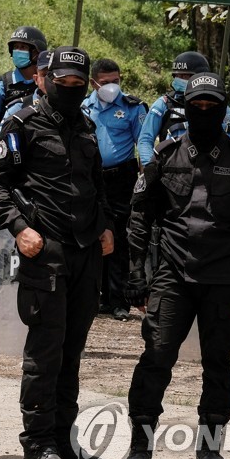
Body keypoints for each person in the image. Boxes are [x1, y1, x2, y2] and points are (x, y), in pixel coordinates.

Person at [123, 72, 230, 459]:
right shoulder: (165, 155)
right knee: (155, 359)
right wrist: (137, 273)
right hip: (173, 275)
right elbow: (139, 217)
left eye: (212, 106)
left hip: (224, 279)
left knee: (218, 364)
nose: (204, 112)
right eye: (196, 105)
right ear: (185, 108)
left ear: (223, 109)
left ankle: (210, 447)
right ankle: (140, 446)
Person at [0, 46, 114, 459]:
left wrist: (104, 226)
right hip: (47, 254)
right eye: (63, 83)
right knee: (45, 353)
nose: (71, 90)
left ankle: (62, 437)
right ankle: (37, 443)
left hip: (85, 254)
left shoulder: (89, 127)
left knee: (72, 353)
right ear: (44, 80)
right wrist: (20, 228)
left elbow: (96, 186)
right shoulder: (20, 124)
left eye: (79, 84)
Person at [81, 58, 147, 322]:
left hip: (123, 178)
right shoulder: (83, 107)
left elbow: (143, 144)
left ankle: (117, 300)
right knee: (93, 233)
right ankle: (95, 296)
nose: (112, 87)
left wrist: (145, 182)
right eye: (106, 83)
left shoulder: (133, 108)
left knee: (119, 237)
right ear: (94, 83)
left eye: (116, 81)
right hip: (92, 178)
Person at [137, 51, 230, 164]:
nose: (179, 79)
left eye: (185, 76)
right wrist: (150, 166)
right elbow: (145, 139)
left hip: (212, 167)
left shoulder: (220, 106)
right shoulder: (164, 104)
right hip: (172, 168)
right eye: (177, 76)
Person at [0, 26, 48, 147]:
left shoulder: (47, 84)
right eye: (15, 47)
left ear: (37, 53)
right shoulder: (2, 85)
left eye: (23, 47)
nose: (18, 51)